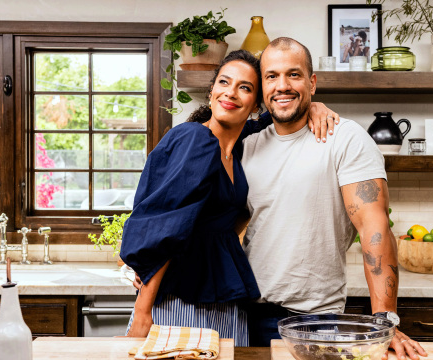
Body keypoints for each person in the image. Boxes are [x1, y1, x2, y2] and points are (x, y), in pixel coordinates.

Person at [120, 49, 339, 346]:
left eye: (245, 88)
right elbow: (164, 229)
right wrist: (143, 311)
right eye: (224, 82)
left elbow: (280, 116)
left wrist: (315, 106)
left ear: (255, 104)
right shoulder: (193, 139)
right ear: (211, 91)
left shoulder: (239, 149)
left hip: (224, 300)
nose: (231, 93)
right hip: (181, 299)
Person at [240, 38, 428, 360]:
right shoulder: (247, 144)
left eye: (294, 75)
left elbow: (374, 225)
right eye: (271, 76)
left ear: (312, 83)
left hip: (315, 320)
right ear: (261, 86)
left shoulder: (344, 138)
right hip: (244, 315)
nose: (282, 86)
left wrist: (385, 320)